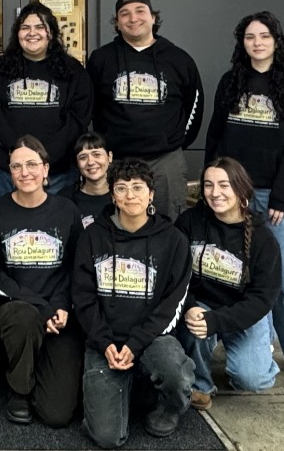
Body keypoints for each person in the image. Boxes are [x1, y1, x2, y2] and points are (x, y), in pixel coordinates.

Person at [205, 11, 284, 389]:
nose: (257, 43)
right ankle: (261, 344)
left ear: (276, 41)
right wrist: (215, 184)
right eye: (250, 37)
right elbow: (216, 136)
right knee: (237, 268)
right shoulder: (231, 82)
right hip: (232, 192)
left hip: (275, 196)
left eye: (264, 36)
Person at [72, 158, 193, 448]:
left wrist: (136, 343)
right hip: (106, 342)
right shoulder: (92, 237)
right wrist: (104, 343)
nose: (130, 196)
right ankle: (128, 388)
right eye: (122, 188)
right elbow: (82, 296)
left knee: (173, 372)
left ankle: (167, 406)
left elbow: (171, 304)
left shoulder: (174, 241)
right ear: (112, 195)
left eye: (138, 188)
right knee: (106, 437)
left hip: (152, 340)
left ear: (151, 193)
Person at [0, 135, 85, 427]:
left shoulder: (67, 211)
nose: (24, 172)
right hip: (15, 310)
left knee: (57, 415)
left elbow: (76, 269)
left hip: (59, 313)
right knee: (24, 318)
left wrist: (61, 305)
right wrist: (42, 307)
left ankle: (35, 365)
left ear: (46, 169)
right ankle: (19, 390)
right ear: (10, 172)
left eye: (31, 164)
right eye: (17, 166)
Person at [175, 157, 282, 411]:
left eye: (224, 185)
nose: (215, 193)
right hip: (202, 306)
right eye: (209, 185)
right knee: (193, 325)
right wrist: (189, 306)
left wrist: (217, 322)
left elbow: (262, 298)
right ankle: (200, 384)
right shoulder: (190, 222)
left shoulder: (263, 239)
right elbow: (175, 274)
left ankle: (264, 339)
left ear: (240, 188)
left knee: (251, 379)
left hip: (241, 311)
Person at [87, 0, 203, 220]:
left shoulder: (179, 59)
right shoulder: (101, 59)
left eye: (140, 11)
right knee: (116, 224)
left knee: (170, 225)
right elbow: (90, 106)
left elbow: (194, 106)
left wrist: (173, 141)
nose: (133, 18)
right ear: (117, 23)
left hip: (165, 160)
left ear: (153, 18)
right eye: (125, 14)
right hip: (117, 160)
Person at [0, 1, 92, 205]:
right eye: (25, 27)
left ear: (51, 33)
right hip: (1, 167)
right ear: (17, 33)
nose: (32, 33)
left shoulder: (73, 71)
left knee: (54, 230)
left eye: (40, 27)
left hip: (57, 169)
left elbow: (78, 120)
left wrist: (43, 158)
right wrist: (20, 155)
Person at [66, 132, 114, 228]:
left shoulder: (124, 195)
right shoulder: (66, 199)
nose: (91, 162)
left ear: (109, 157)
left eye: (96, 154)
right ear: (77, 163)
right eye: (83, 157)